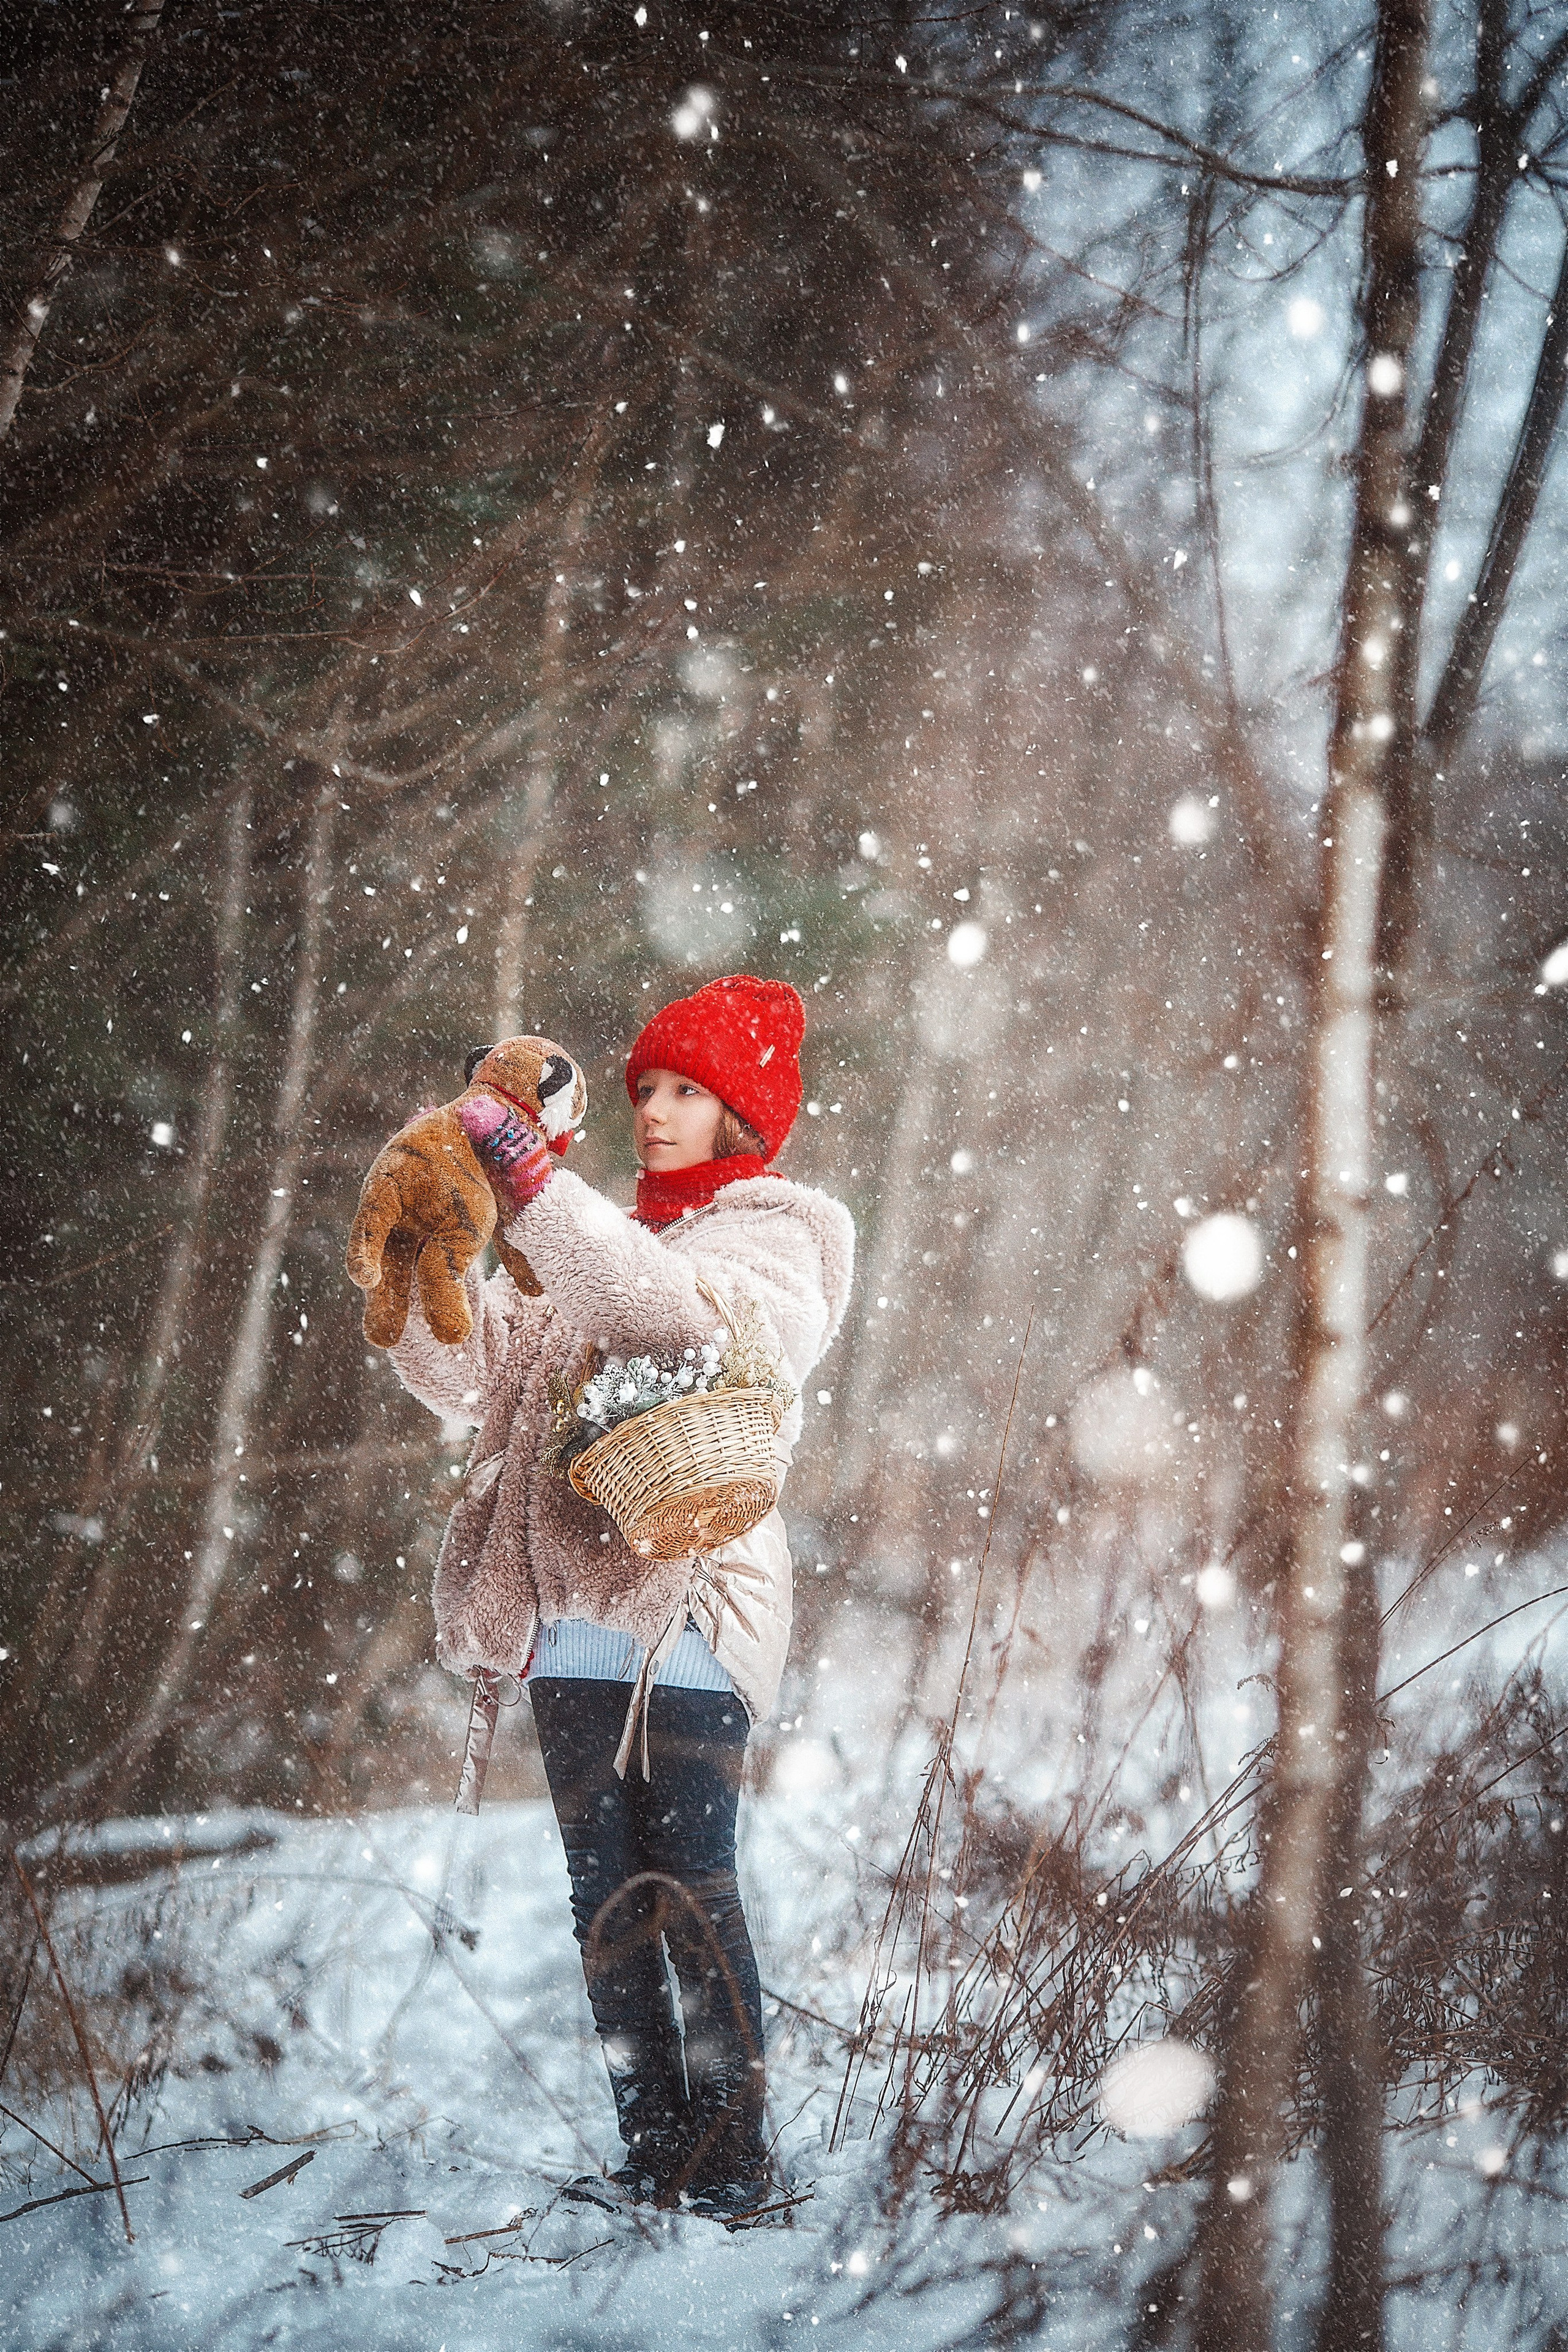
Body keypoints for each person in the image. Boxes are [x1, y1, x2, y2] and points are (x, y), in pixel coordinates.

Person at [379, 974, 854, 2220]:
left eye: (686, 1093)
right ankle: (657, 2158)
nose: (654, 1111)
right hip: (571, 1616)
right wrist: (422, 1254)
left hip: (690, 1608)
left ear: (738, 1118)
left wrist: (535, 1189)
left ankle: (735, 2168)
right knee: (605, 1897)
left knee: (688, 1880)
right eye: (645, 1089)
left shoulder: (775, 1238)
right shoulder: (573, 1245)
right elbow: (467, 1376)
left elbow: (667, 1317)